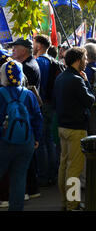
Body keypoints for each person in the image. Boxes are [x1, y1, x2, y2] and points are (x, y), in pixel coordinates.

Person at [53, 47, 95, 211]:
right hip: (76, 128)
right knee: (74, 168)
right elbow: (90, 101)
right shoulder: (77, 80)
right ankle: (72, 204)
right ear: (78, 60)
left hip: (62, 126)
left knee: (64, 165)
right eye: (84, 58)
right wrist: (85, 81)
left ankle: (65, 201)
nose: (86, 61)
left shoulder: (61, 77)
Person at [0, 60, 43, 211]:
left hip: (3, 142)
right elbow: (38, 118)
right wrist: (36, 138)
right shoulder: (29, 94)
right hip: (26, 142)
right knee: (19, 179)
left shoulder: (1, 93)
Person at [10, 38, 41, 199]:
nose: (13, 51)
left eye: (15, 48)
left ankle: (27, 189)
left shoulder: (26, 67)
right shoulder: (31, 63)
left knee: (24, 159)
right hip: (27, 117)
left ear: (24, 50)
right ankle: (32, 188)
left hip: (24, 118)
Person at [33, 35, 58, 188]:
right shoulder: (52, 60)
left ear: (40, 46)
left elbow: (38, 84)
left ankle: (43, 176)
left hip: (43, 104)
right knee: (49, 141)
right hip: (52, 104)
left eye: (34, 43)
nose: (32, 45)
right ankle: (52, 174)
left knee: (41, 141)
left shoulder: (40, 62)